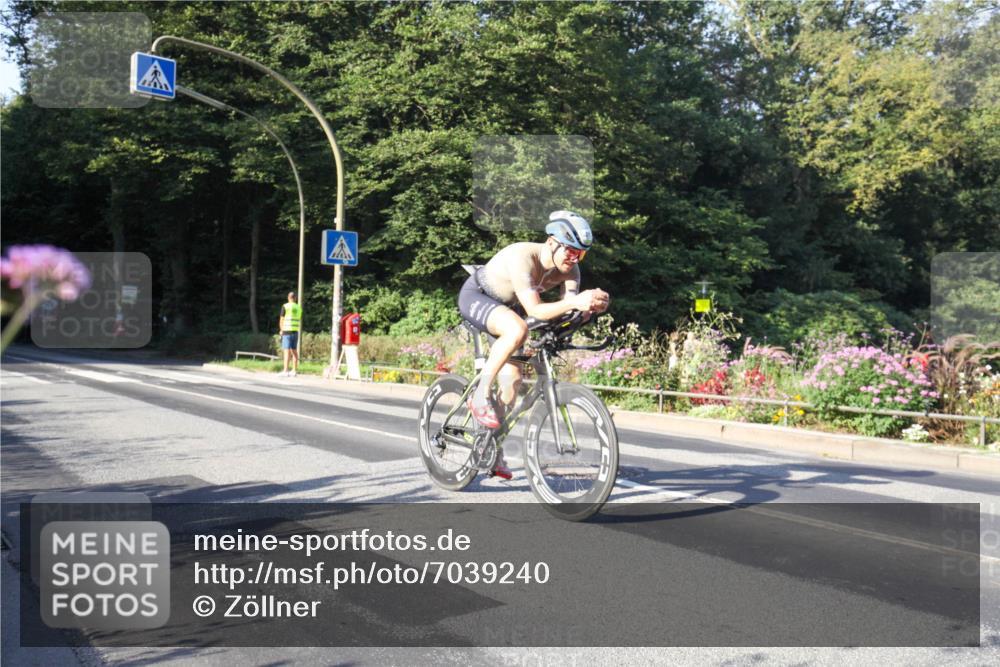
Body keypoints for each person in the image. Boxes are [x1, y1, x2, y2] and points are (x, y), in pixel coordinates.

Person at [457, 210, 610, 479]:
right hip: (479, 296)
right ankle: (479, 394)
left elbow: (566, 311)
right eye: (571, 251)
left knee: (512, 382)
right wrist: (575, 302)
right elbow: (536, 310)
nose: (574, 259)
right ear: (552, 242)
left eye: (581, 254)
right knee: (518, 328)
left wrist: (588, 309)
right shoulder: (523, 256)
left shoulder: (571, 271)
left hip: (510, 309)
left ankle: (490, 445)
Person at [278, 292, 301, 377]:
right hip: (295, 331)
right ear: (295, 298)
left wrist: (281, 330)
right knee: (294, 351)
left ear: (288, 297)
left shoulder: (285, 306)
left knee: (286, 351)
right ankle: (294, 370)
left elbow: (282, 319)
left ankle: (285, 370)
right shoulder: (298, 307)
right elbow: (298, 318)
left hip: (286, 331)